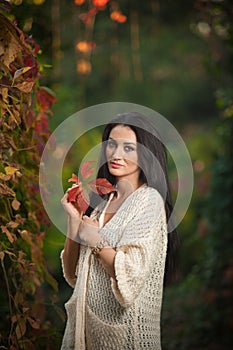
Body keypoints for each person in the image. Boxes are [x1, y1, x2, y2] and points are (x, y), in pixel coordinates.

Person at [60, 112, 179, 350]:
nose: (115, 154)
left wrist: (96, 240)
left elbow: (132, 275)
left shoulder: (149, 201)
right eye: (112, 144)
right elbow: (74, 274)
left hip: (125, 338)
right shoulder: (103, 203)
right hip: (84, 335)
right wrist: (74, 223)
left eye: (128, 148)